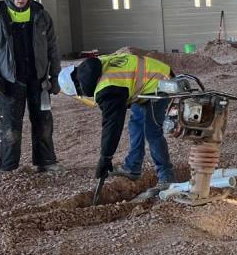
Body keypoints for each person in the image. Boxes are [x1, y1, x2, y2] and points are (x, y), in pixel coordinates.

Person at [0, 0, 61, 177]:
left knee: (43, 122)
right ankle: (8, 168)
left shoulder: (41, 15)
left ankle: (47, 162)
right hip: (9, 81)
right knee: (10, 127)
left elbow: (52, 47)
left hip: (38, 80)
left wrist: (55, 76)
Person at [58, 51, 175, 186]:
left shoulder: (107, 89)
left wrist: (105, 157)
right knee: (136, 125)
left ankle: (166, 177)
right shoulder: (97, 64)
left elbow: (112, 125)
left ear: (79, 87)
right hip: (146, 83)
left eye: (80, 93)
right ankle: (132, 167)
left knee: (152, 130)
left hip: (160, 83)